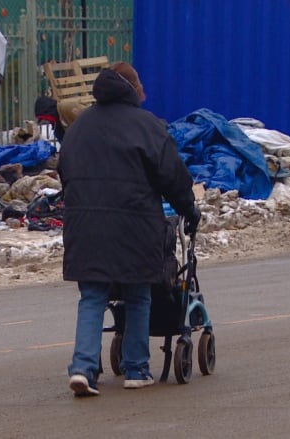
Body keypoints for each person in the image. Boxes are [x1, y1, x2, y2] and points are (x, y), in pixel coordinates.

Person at [58, 62, 201, 397]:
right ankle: (136, 368)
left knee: (92, 296)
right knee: (138, 294)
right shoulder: (147, 126)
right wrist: (188, 209)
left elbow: (65, 173)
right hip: (134, 224)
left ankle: (82, 368)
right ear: (133, 88)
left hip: (85, 225)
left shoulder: (79, 128)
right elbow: (172, 176)